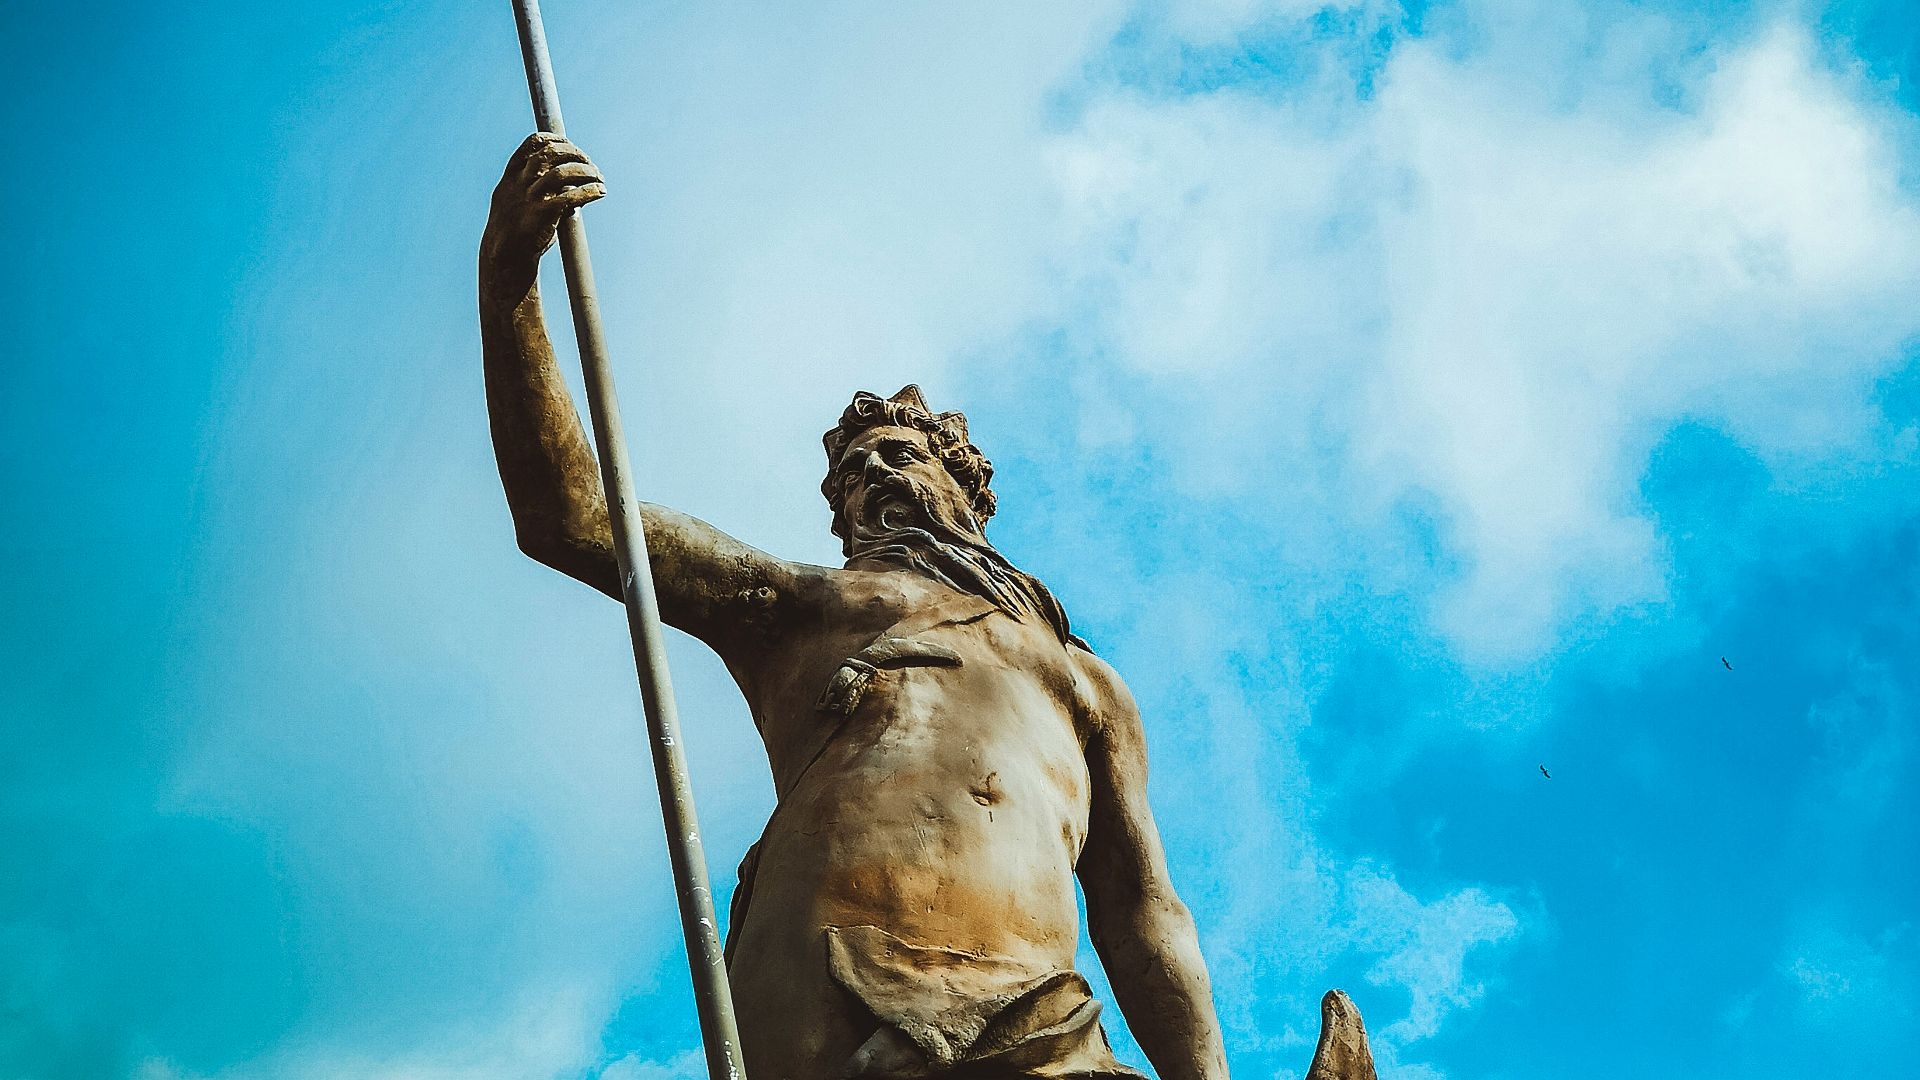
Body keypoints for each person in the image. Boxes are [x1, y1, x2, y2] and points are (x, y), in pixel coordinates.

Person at [478, 132, 1229, 1080]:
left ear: (966, 488)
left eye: (897, 455)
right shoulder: (810, 607)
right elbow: (573, 517)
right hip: (830, 1004)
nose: (871, 471)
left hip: (1040, 1020)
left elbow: (1140, 909)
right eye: (850, 474)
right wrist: (507, 276)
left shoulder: (1088, 685)